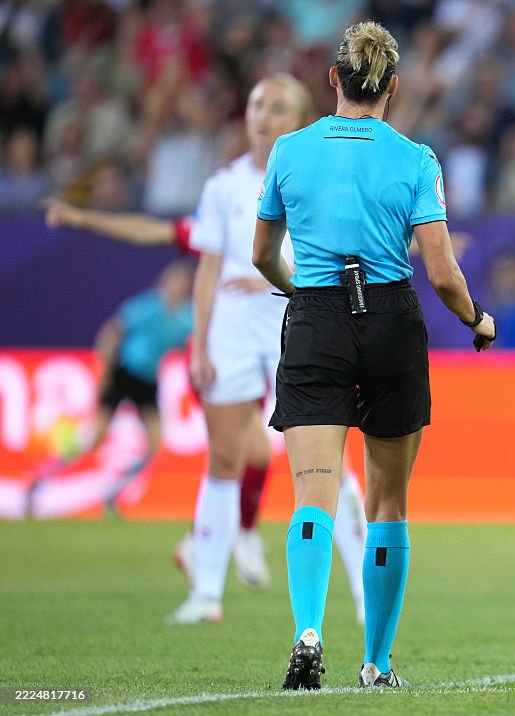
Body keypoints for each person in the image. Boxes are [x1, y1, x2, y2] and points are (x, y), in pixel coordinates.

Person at [252, 21, 495, 690]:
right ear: (393, 85)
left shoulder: (288, 151)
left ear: (332, 79)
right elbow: (443, 273)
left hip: (316, 319)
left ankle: (307, 629)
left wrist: (296, 290)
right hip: (389, 318)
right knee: (388, 502)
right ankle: (377, 664)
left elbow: (260, 254)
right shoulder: (416, 158)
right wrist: (476, 319)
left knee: (314, 493)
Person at [41, 196, 369, 607]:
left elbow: (352, 250)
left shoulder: (304, 217)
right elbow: (148, 230)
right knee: (244, 458)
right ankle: (229, 556)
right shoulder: (224, 213)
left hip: (285, 350)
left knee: (286, 461)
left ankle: (207, 544)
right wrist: (82, 215)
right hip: (222, 360)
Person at [165, 72, 362, 625]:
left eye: (278, 108)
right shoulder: (223, 186)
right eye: (256, 104)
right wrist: (198, 344)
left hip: (297, 326)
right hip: (229, 333)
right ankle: (206, 593)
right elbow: (206, 271)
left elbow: (338, 260)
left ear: (298, 121)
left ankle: (367, 597)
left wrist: (275, 276)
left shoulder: (320, 181)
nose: (263, 116)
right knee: (224, 459)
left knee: (332, 468)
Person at [26, 260, 193, 516]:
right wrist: (103, 369)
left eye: (182, 283)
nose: (177, 287)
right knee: (95, 437)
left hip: (147, 381)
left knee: (154, 444)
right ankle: (40, 479)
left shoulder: (185, 317)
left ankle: (113, 494)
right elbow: (112, 332)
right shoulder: (148, 306)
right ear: (164, 282)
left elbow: (189, 343)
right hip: (123, 372)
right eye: (174, 281)